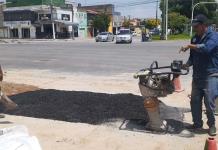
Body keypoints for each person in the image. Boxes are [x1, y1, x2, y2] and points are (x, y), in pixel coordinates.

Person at [180, 14, 218, 136]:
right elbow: (193, 56)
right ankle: (197, 124)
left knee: (209, 102)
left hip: (211, 74)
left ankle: (211, 125)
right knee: (195, 101)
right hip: (197, 75)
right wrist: (186, 65)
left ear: (203, 25)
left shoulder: (214, 36)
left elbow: (206, 49)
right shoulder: (195, 38)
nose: (195, 28)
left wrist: (191, 46)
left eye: (196, 26)